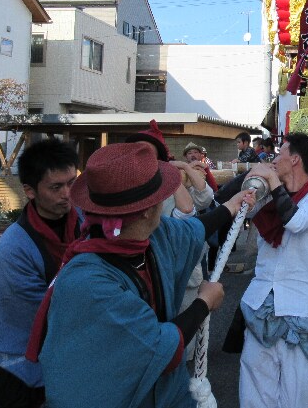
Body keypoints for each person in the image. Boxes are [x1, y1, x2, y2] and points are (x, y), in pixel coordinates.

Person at [27, 142, 256, 408]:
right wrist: (204, 303)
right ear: (148, 209)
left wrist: (230, 205)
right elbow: (157, 346)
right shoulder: (87, 282)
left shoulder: (150, 236)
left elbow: (193, 230)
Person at [237, 132, 308, 408]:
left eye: (279, 153)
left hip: (301, 309)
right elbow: (229, 205)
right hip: (260, 306)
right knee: (254, 395)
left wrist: (272, 181)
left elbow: (296, 221)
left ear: (294, 160)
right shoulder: (267, 195)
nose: (273, 159)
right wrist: (250, 180)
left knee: (297, 397)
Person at [0, 138, 80, 408]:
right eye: (56, 187)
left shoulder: (83, 221)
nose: (67, 194)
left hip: (71, 359)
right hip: (25, 367)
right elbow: (39, 315)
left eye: (72, 183)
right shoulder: (14, 247)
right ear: (29, 190)